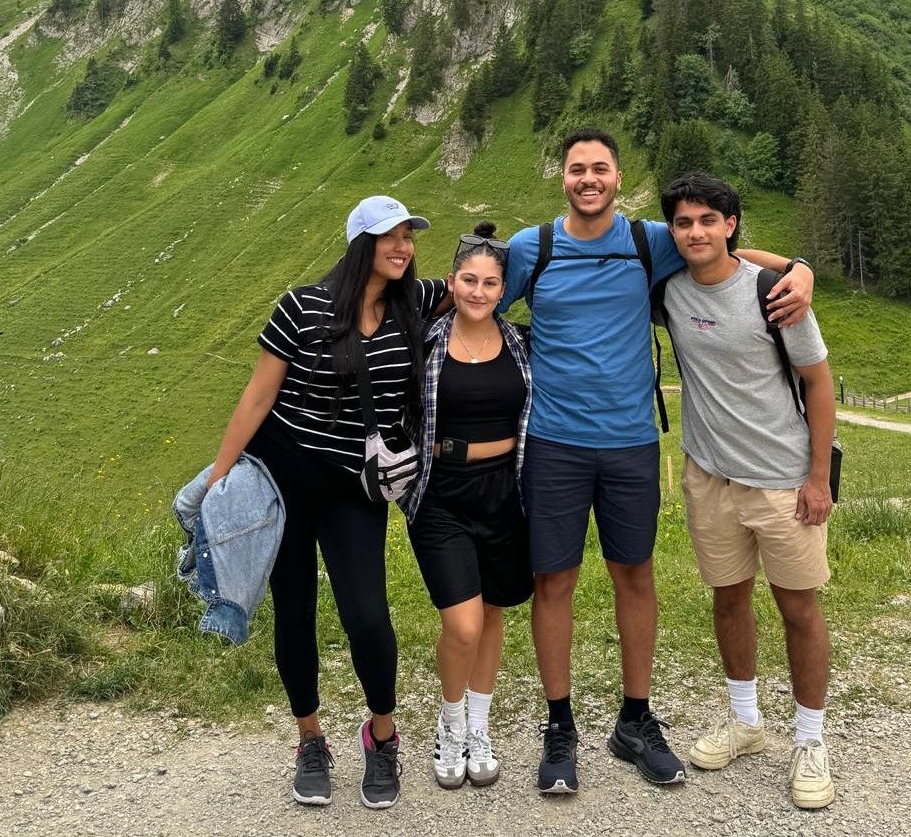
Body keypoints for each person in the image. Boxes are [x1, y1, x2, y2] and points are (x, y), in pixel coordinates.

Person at [498, 127, 815, 795]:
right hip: (554, 441)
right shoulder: (535, 247)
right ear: (563, 177)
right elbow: (476, 302)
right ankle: (560, 725)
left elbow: (722, 247)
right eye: (577, 168)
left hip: (632, 442)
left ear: (617, 176)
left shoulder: (650, 240)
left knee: (634, 577)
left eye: (600, 168)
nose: (589, 178)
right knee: (553, 583)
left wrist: (799, 268)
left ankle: (635, 720)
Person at [205, 194, 447, 812]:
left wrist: (723, 256)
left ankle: (382, 736)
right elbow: (259, 397)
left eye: (408, 238)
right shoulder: (302, 307)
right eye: (390, 238)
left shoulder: (413, 303)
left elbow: (491, 272)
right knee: (296, 612)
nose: (403, 248)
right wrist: (218, 479)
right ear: (359, 243)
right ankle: (310, 740)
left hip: (352, 490)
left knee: (367, 614)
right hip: (282, 486)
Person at [658, 171, 836, 811]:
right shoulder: (670, 292)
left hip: (783, 481)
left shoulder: (774, 293)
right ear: (673, 231)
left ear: (731, 225)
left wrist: (817, 479)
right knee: (728, 600)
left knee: (798, 609)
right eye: (684, 222)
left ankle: (811, 740)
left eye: (709, 219)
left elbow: (818, 383)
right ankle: (746, 721)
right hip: (709, 476)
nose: (696, 231)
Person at [404, 223, 533, 791]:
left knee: (496, 610)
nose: (479, 291)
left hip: (505, 490)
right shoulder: (423, 338)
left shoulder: (522, 341)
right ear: (450, 281)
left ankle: (479, 723)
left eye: (490, 282)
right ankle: (450, 719)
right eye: (468, 279)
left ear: (503, 288)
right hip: (441, 491)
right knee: (463, 622)